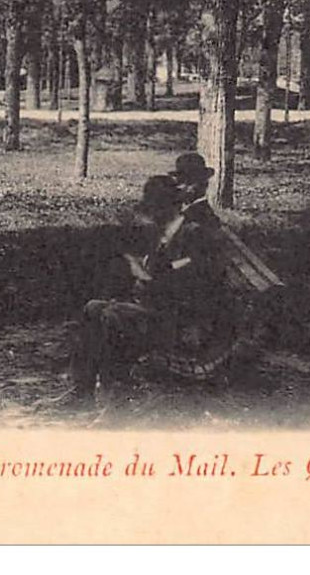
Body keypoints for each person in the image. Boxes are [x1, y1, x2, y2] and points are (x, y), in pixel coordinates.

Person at [52, 160, 232, 410]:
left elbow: (194, 277)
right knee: (94, 307)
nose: (152, 216)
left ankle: (114, 396)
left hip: (178, 318)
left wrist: (152, 278)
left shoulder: (194, 231)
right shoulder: (171, 231)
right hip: (160, 307)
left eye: (156, 210)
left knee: (111, 315)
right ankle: (81, 389)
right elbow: (167, 269)